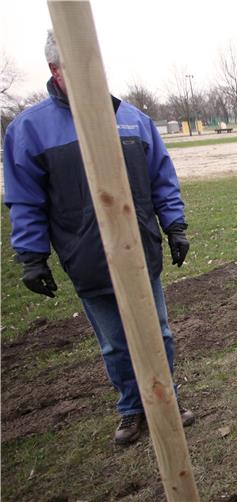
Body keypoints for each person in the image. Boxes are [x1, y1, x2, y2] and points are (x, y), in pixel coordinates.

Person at [3, 30, 195, 445]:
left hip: (142, 252)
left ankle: (168, 397)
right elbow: (25, 200)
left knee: (158, 332)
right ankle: (131, 407)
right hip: (88, 258)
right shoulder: (29, 131)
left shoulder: (133, 120)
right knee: (114, 344)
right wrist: (31, 256)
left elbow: (162, 177)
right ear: (56, 71)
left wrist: (174, 226)